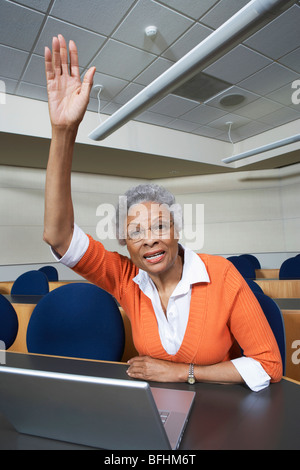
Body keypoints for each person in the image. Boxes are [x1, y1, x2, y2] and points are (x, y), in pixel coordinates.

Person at [43, 35, 282, 392]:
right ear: (125, 243)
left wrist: (183, 372)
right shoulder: (126, 280)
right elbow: (59, 236)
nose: (150, 237)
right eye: (136, 231)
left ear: (176, 231)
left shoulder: (223, 276)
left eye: (158, 225)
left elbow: (269, 365)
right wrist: (63, 132)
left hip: (223, 415)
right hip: (156, 412)